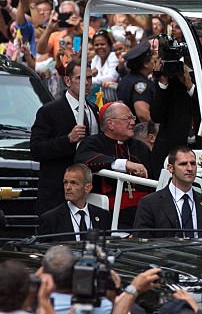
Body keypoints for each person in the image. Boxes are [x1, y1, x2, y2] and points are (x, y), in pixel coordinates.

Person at [29, 60, 100, 215]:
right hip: (57, 193)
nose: (86, 83)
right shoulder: (49, 111)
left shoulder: (93, 109)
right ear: (67, 80)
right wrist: (68, 139)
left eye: (89, 78)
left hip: (88, 191)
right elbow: (36, 149)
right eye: (80, 79)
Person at [74, 102, 152, 228]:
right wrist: (124, 164)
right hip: (110, 213)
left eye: (133, 118)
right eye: (128, 119)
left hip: (142, 212)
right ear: (110, 123)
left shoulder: (140, 147)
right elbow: (83, 159)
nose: (132, 123)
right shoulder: (93, 143)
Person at [134, 147, 202, 238]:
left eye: (193, 163)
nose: (190, 168)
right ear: (170, 168)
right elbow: (141, 241)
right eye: (183, 164)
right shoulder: (150, 203)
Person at [36, 164, 111, 239]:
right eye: (65, 182)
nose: (68, 187)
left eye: (73, 183)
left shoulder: (103, 215)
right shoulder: (50, 219)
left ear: (87, 188)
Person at [115, 41, 155, 136]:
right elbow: (142, 114)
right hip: (140, 135)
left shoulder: (126, 79)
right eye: (152, 58)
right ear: (145, 64)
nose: (154, 61)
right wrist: (155, 130)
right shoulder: (141, 84)